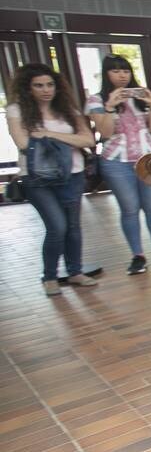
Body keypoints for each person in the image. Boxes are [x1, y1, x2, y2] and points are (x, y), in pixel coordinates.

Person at [6, 63, 98, 296]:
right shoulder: (17, 110)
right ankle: (49, 276)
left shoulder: (67, 109)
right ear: (28, 88)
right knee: (57, 226)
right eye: (39, 85)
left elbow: (87, 140)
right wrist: (69, 139)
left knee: (73, 226)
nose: (46, 90)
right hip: (37, 178)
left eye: (50, 84)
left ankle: (75, 271)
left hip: (72, 173)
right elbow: (24, 144)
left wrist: (48, 135)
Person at [85, 55, 151, 273]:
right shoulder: (97, 100)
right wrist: (111, 107)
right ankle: (137, 255)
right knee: (130, 209)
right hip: (116, 161)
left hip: (150, 158)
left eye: (125, 71)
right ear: (106, 74)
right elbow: (104, 132)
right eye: (115, 71)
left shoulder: (142, 96)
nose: (122, 75)